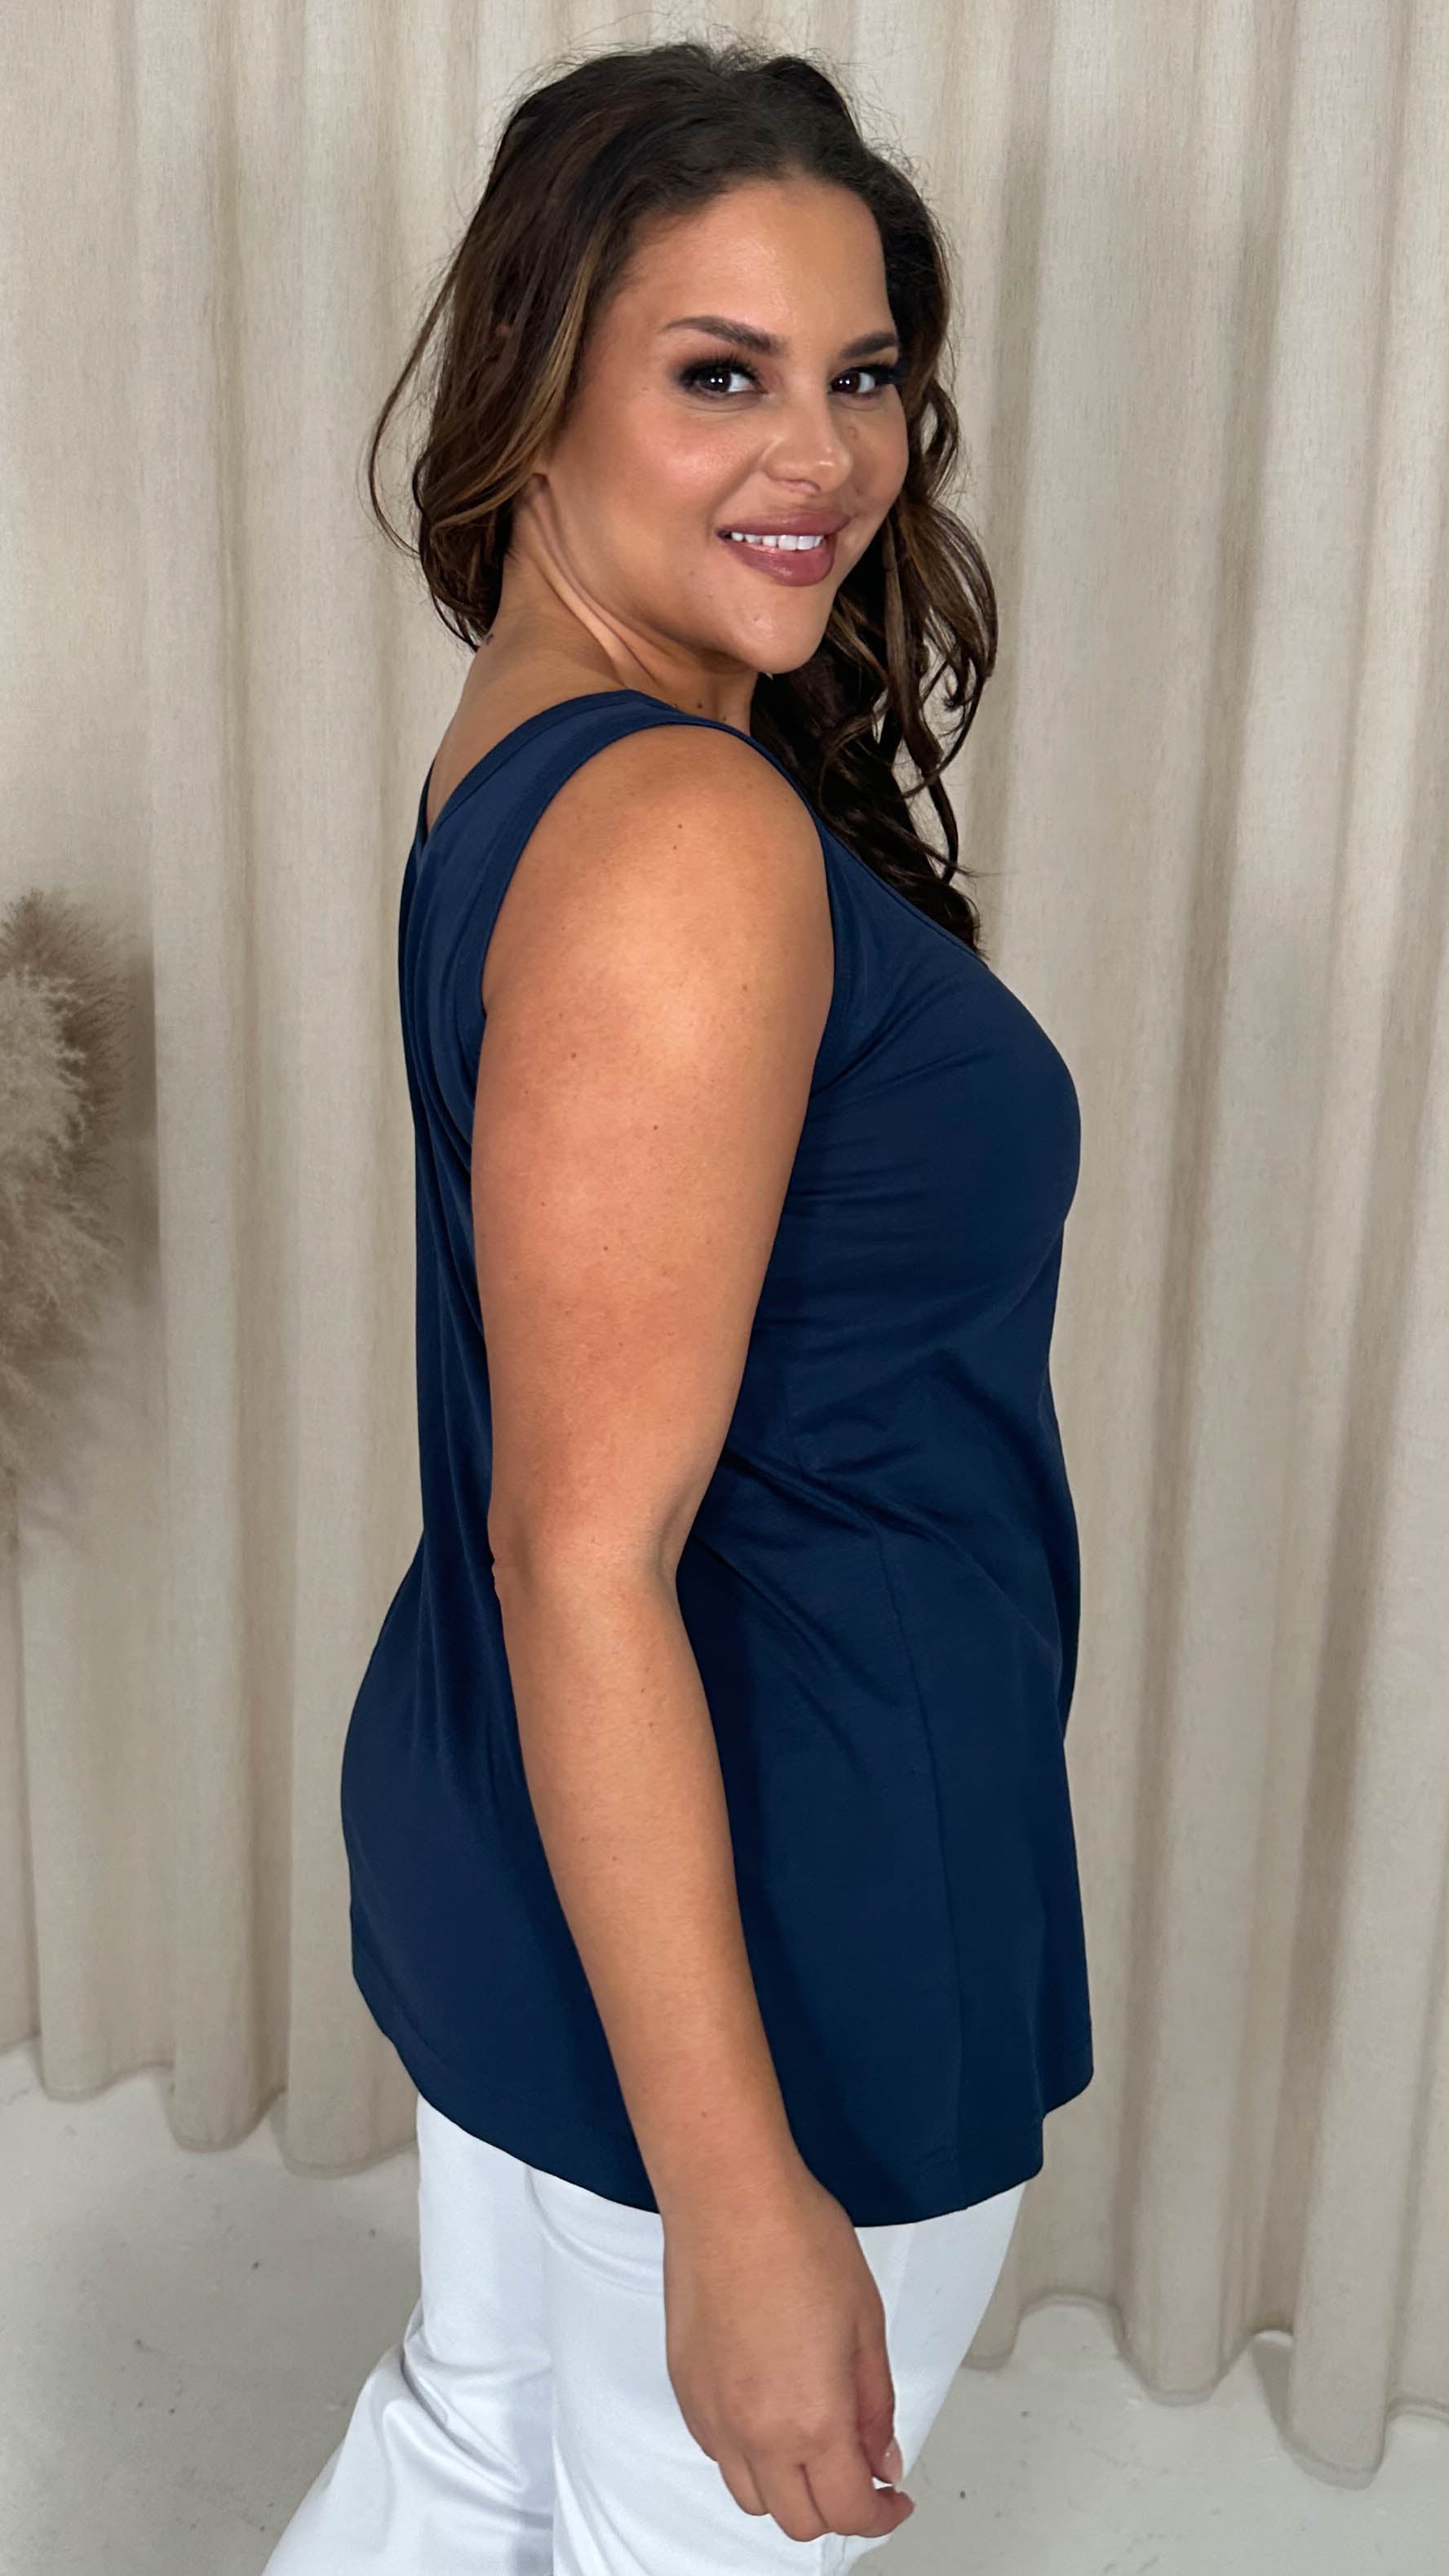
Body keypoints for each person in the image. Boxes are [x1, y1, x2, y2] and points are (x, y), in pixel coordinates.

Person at [263, 35, 1092, 2576]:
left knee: (474, 2446)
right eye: (719, 374)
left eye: (862, 374)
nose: (819, 455)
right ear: (536, 386)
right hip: (780, 1895)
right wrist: (739, 2193)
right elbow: (594, 1548)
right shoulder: (683, 839)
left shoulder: (531, 745)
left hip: (532, 1807)